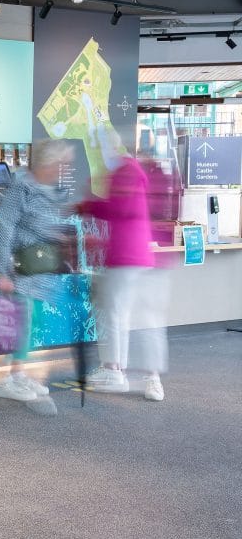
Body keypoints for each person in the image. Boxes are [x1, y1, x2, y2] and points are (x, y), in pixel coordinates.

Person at [78, 138, 167, 401]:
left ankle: (114, 371)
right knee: (146, 320)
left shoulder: (124, 172)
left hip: (125, 257)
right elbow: (132, 216)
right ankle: (153, 379)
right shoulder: (141, 173)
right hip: (143, 256)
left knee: (117, 315)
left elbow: (120, 209)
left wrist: (87, 205)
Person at [0, 139, 74, 402]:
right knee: (22, 323)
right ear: (47, 163)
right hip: (19, 268)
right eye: (60, 164)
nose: (62, 169)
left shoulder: (46, 190)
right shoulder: (21, 189)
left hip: (38, 271)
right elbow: (2, 228)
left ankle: (18, 374)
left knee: (31, 322)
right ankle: (10, 379)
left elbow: (40, 224)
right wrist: (0, 270)